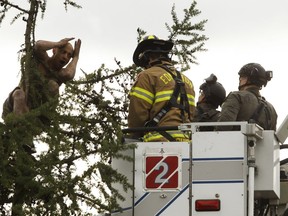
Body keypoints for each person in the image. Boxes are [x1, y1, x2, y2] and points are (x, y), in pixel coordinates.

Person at [2, 37, 81, 152]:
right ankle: (21, 136)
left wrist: (76, 57)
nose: (65, 57)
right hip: (13, 107)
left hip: (37, 118)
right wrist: (58, 43)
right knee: (19, 94)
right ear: (54, 50)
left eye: (69, 55)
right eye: (63, 52)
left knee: (53, 86)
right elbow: (38, 46)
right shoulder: (41, 59)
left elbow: (69, 74)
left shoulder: (60, 74)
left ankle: (25, 141)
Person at [128, 35, 196, 142]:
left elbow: (137, 115)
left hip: (157, 143)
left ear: (147, 58)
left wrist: (133, 136)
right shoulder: (187, 81)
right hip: (187, 143)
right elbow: (191, 115)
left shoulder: (147, 76)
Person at [218, 63, 277, 130]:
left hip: (235, 140)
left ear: (247, 79)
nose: (240, 80)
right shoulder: (271, 109)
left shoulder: (236, 96)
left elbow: (223, 128)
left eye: (242, 77)